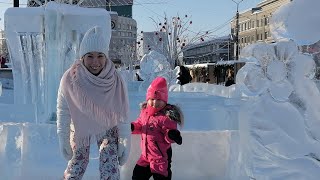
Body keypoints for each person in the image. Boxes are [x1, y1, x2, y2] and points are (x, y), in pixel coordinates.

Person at [56, 26, 131, 180]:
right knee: (75, 168)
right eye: (90, 56)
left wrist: (124, 141)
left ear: (106, 57)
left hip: (107, 128)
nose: (95, 62)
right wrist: (62, 137)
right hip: (79, 128)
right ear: (82, 57)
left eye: (100, 56)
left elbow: (122, 112)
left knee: (110, 170)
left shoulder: (115, 79)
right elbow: (63, 110)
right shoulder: (70, 79)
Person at [131, 76, 183, 180]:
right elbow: (140, 125)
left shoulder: (166, 117)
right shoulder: (144, 113)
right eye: (152, 99)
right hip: (145, 156)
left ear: (165, 100)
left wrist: (172, 135)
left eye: (159, 99)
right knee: (137, 175)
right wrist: (132, 127)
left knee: (162, 177)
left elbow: (168, 134)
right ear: (148, 99)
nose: (155, 102)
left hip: (161, 158)